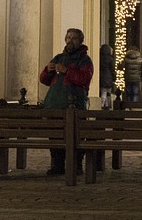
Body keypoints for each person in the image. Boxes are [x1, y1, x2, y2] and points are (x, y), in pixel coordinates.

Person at [39, 28, 94, 175]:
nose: (70, 40)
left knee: (75, 135)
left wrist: (66, 71)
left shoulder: (85, 60)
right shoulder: (58, 57)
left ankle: (76, 165)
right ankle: (58, 165)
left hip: (74, 104)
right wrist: (48, 70)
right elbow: (44, 80)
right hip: (54, 104)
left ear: (80, 41)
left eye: (74, 38)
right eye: (68, 37)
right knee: (55, 136)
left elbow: (83, 79)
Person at [98, 44, 115, 108]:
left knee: (103, 91)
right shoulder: (110, 59)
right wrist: (114, 78)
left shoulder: (99, 58)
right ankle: (106, 105)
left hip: (102, 76)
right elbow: (112, 69)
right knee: (108, 92)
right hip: (108, 77)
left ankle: (104, 104)